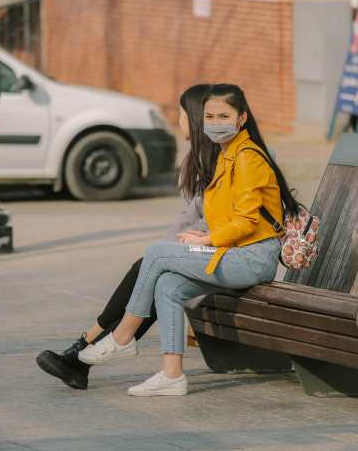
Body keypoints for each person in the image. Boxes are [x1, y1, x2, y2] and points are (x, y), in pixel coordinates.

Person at [77, 83, 300, 396]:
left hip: (253, 258)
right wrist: (205, 235)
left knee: (156, 253)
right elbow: (231, 216)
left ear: (241, 119)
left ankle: (122, 338)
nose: (215, 123)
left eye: (224, 116)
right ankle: (172, 376)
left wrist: (208, 240)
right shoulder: (228, 155)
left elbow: (248, 222)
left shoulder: (248, 157)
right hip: (236, 253)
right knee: (168, 284)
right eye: (210, 116)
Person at [36, 83, 220, 390]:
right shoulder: (196, 159)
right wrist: (166, 252)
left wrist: (168, 253)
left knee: (149, 271)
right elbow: (186, 219)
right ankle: (81, 355)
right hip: (197, 248)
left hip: (223, 252)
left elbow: (215, 221)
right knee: (148, 270)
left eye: (181, 113)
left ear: (196, 118)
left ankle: (83, 349)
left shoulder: (222, 161)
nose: (177, 120)